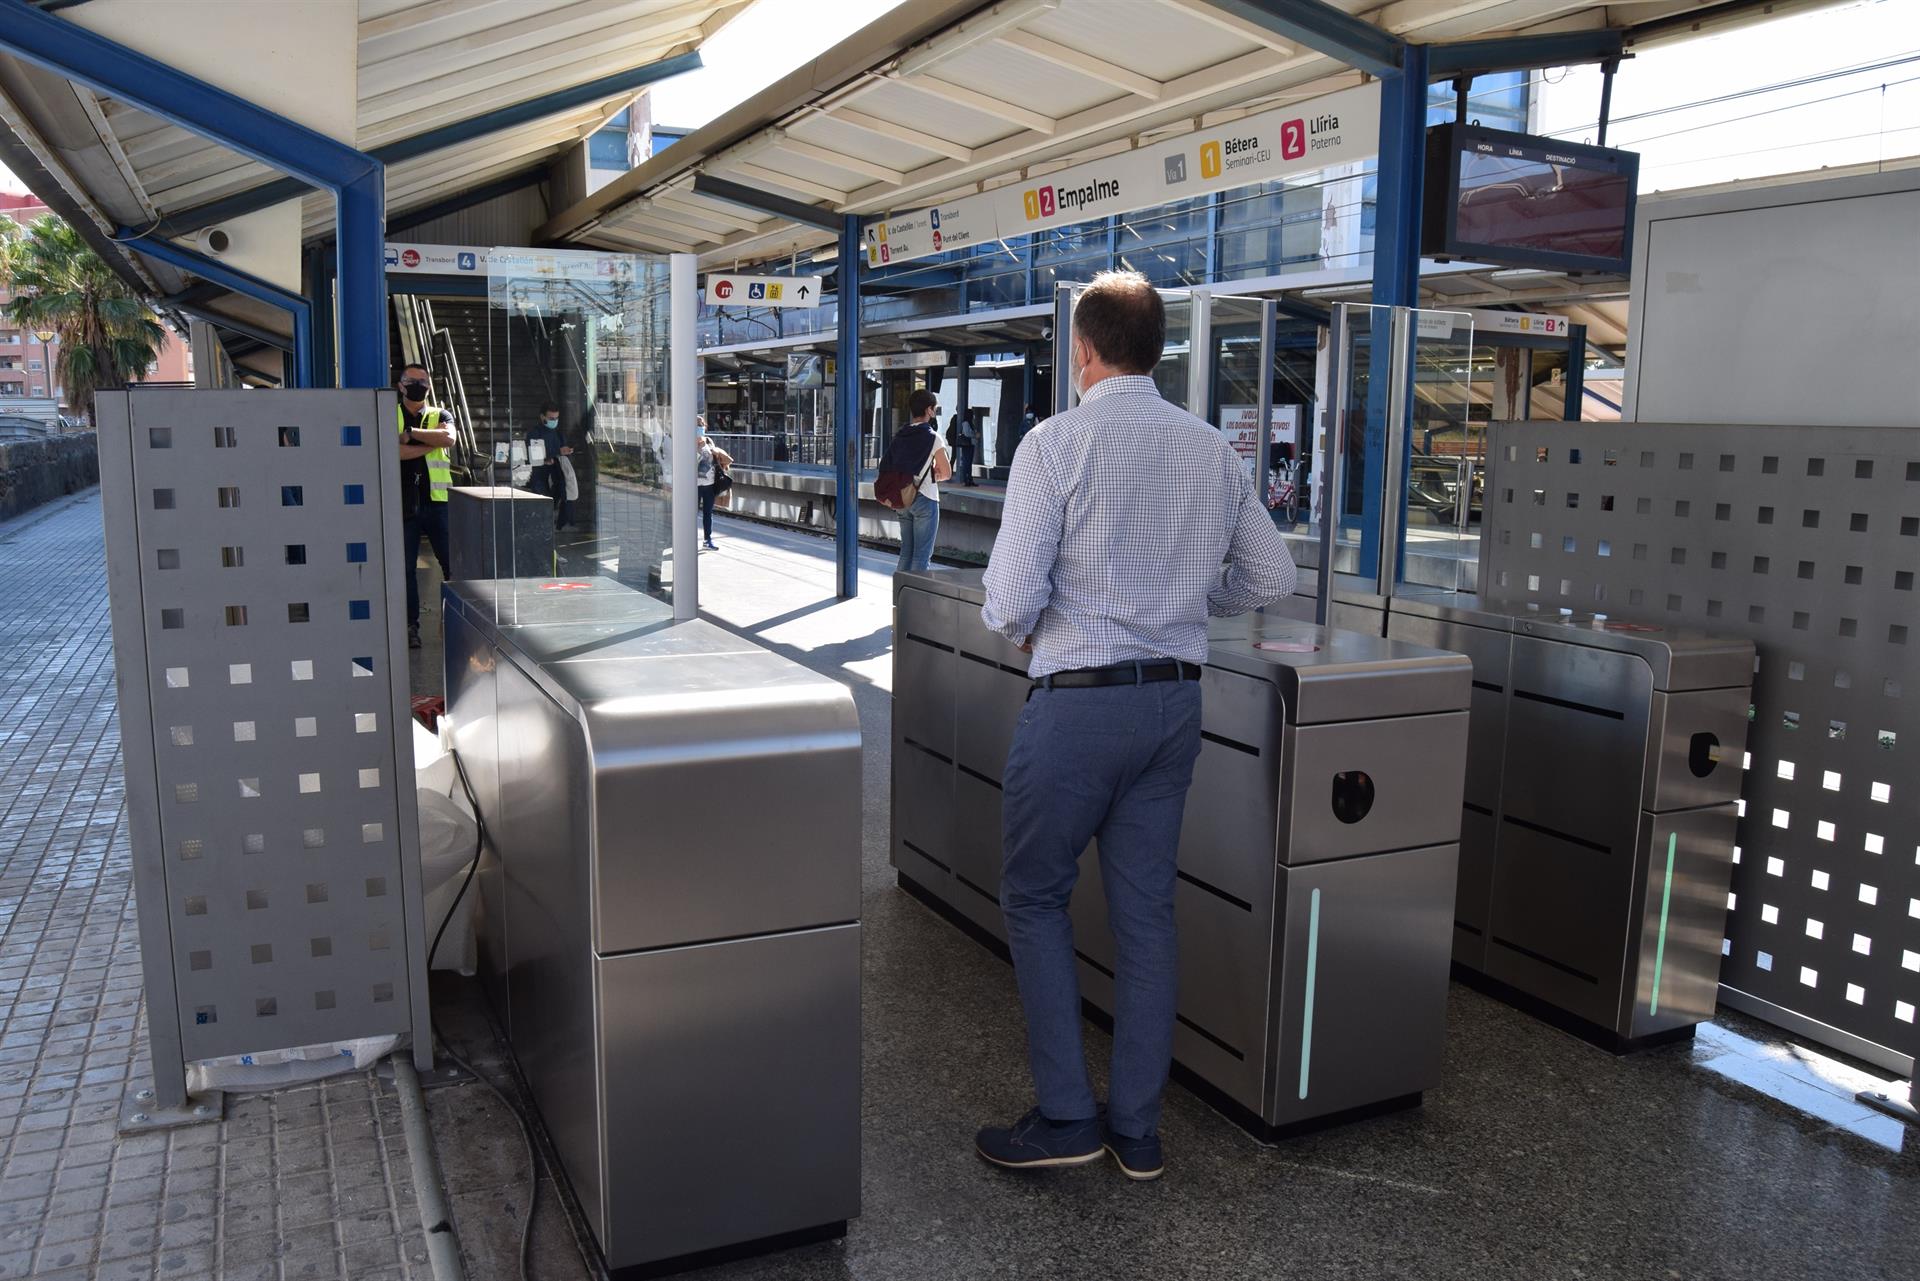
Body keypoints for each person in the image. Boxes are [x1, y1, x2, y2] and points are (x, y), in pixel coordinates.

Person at [974, 271, 1296, 1181]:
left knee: (1035, 896)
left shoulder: (1054, 443)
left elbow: (1009, 598)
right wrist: (1191, 605)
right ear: (1157, 350)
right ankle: (1138, 1131)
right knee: (1147, 915)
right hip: (1173, 706)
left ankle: (1067, 1115)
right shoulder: (1211, 449)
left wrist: (1028, 625)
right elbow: (1272, 575)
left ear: (1083, 349)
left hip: (1078, 704)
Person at [395, 362, 454, 650]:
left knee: (452, 565)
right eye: (412, 381)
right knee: (406, 569)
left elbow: (449, 438)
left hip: (437, 503)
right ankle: (411, 627)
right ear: (401, 385)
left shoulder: (441, 414)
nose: (418, 386)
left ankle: (454, 623)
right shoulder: (389, 414)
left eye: (423, 382)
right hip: (403, 504)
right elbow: (394, 451)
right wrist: (432, 441)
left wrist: (411, 435)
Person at [884, 389, 950, 574]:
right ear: (929, 410)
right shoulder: (933, 437)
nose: (934, 411)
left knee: (906, 553)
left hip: (902, 498)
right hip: (925, 498)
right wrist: (936, 474)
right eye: (934, 408)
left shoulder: (900, 435)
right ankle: (914, 593)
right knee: (921, 557)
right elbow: (946, 472)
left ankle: (900, 591)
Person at [527, 401, 574, 529]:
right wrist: (552, 454)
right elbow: (532, 456)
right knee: (542, 510)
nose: (554, 421)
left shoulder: (558, 434)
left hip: (556, 477)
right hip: (540, 478)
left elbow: (562, 453)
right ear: (542, 417)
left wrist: (565, 452)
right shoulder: (535, 433)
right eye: (551, 418)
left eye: (556, 418)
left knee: (553, 508)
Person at [696, 431, 732, 550]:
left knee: (708, 513)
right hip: (693, 486)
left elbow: (726, 460)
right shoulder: (687, 445)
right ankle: (688, 540)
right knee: (691, 514)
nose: (698, 435)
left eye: (701, 428)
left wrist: (717, 453)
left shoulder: (709, 443)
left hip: (709, 485)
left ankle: (707, 540)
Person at [949, 408, 978, 487]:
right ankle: (966, 479)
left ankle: (970, 479)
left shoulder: (970, 423)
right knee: (966, 462)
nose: (973, 416)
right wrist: (975, 434)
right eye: (972, 414)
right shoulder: (966, 423)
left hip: (971, 444)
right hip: (967, 444)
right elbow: (967, 433)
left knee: (969, 462)